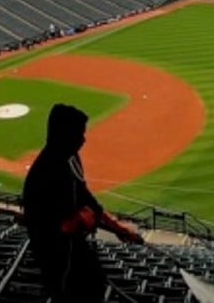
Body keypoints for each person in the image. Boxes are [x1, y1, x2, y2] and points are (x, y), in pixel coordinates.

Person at [21, 103, 144, 302]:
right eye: (78, 134)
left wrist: (119, 229)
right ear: (63, 135)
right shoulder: (45, 173)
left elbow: (86, 200)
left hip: (71, 245)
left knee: (95, 281)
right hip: (54, 256)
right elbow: (60, 226)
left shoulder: (71, 158)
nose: (83, 140)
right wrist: (79, 219)